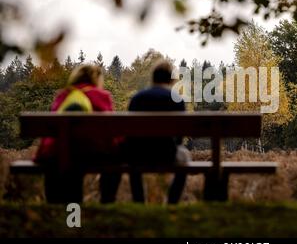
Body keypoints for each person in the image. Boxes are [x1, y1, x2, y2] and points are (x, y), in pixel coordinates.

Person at [35, 64, 118, 203]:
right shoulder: (102, 96)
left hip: (59, 152)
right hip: (93, 153)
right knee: (115, 163)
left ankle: (54, 205)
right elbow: (111, 131)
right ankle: (107, 202)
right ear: (97, 79)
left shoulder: (63, 95)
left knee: (60, 162)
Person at [122, 59, 190, 203]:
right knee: (185, 156)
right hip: (167, 154)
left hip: (139, 155)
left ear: (153, 77)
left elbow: (129, 132)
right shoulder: (177, 99)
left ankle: (139, 201)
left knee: (132, 158)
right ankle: (172, 202)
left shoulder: (137, 98)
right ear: (171, 79)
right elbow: (179, 136)